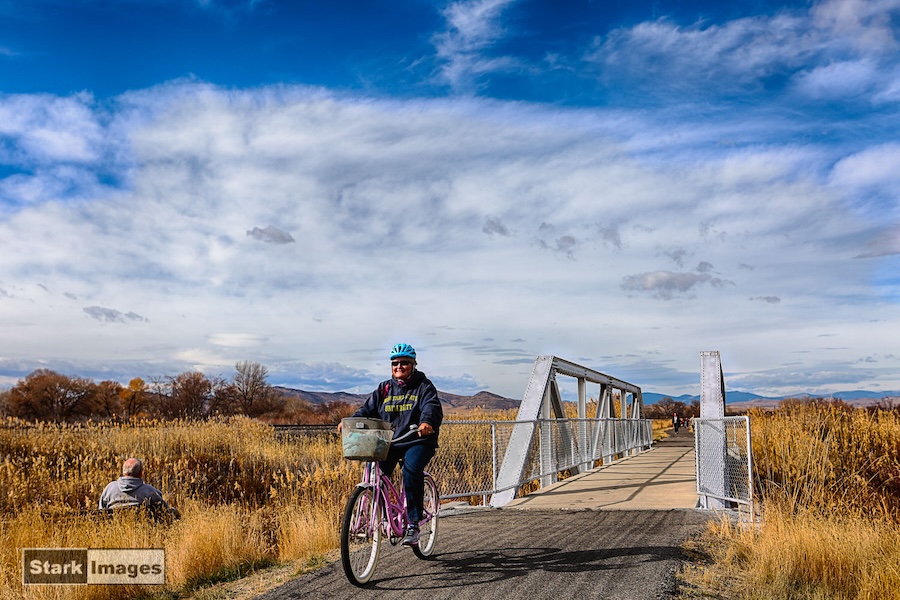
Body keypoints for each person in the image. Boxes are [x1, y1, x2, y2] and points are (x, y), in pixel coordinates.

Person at [340, 343, 443, 546]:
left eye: (404, 363)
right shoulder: (385, 388)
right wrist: (350, 423)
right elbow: (367, 409)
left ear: (413, 364)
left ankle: (413, 523)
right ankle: (385, 515)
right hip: (391, 441)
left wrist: (427, 423)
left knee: (411, 470)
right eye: (395, 363)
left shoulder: (424, 386)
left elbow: (431, 406)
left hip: (418, 440)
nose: (399, 366)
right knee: (377, 473)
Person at [99, 458, 180, 519]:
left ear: (123, 472)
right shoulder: (149, 491)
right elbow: (165, 511)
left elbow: (101, 512)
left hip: (115, 534)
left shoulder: (109, 489)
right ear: (141, 473)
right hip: (143, 534)